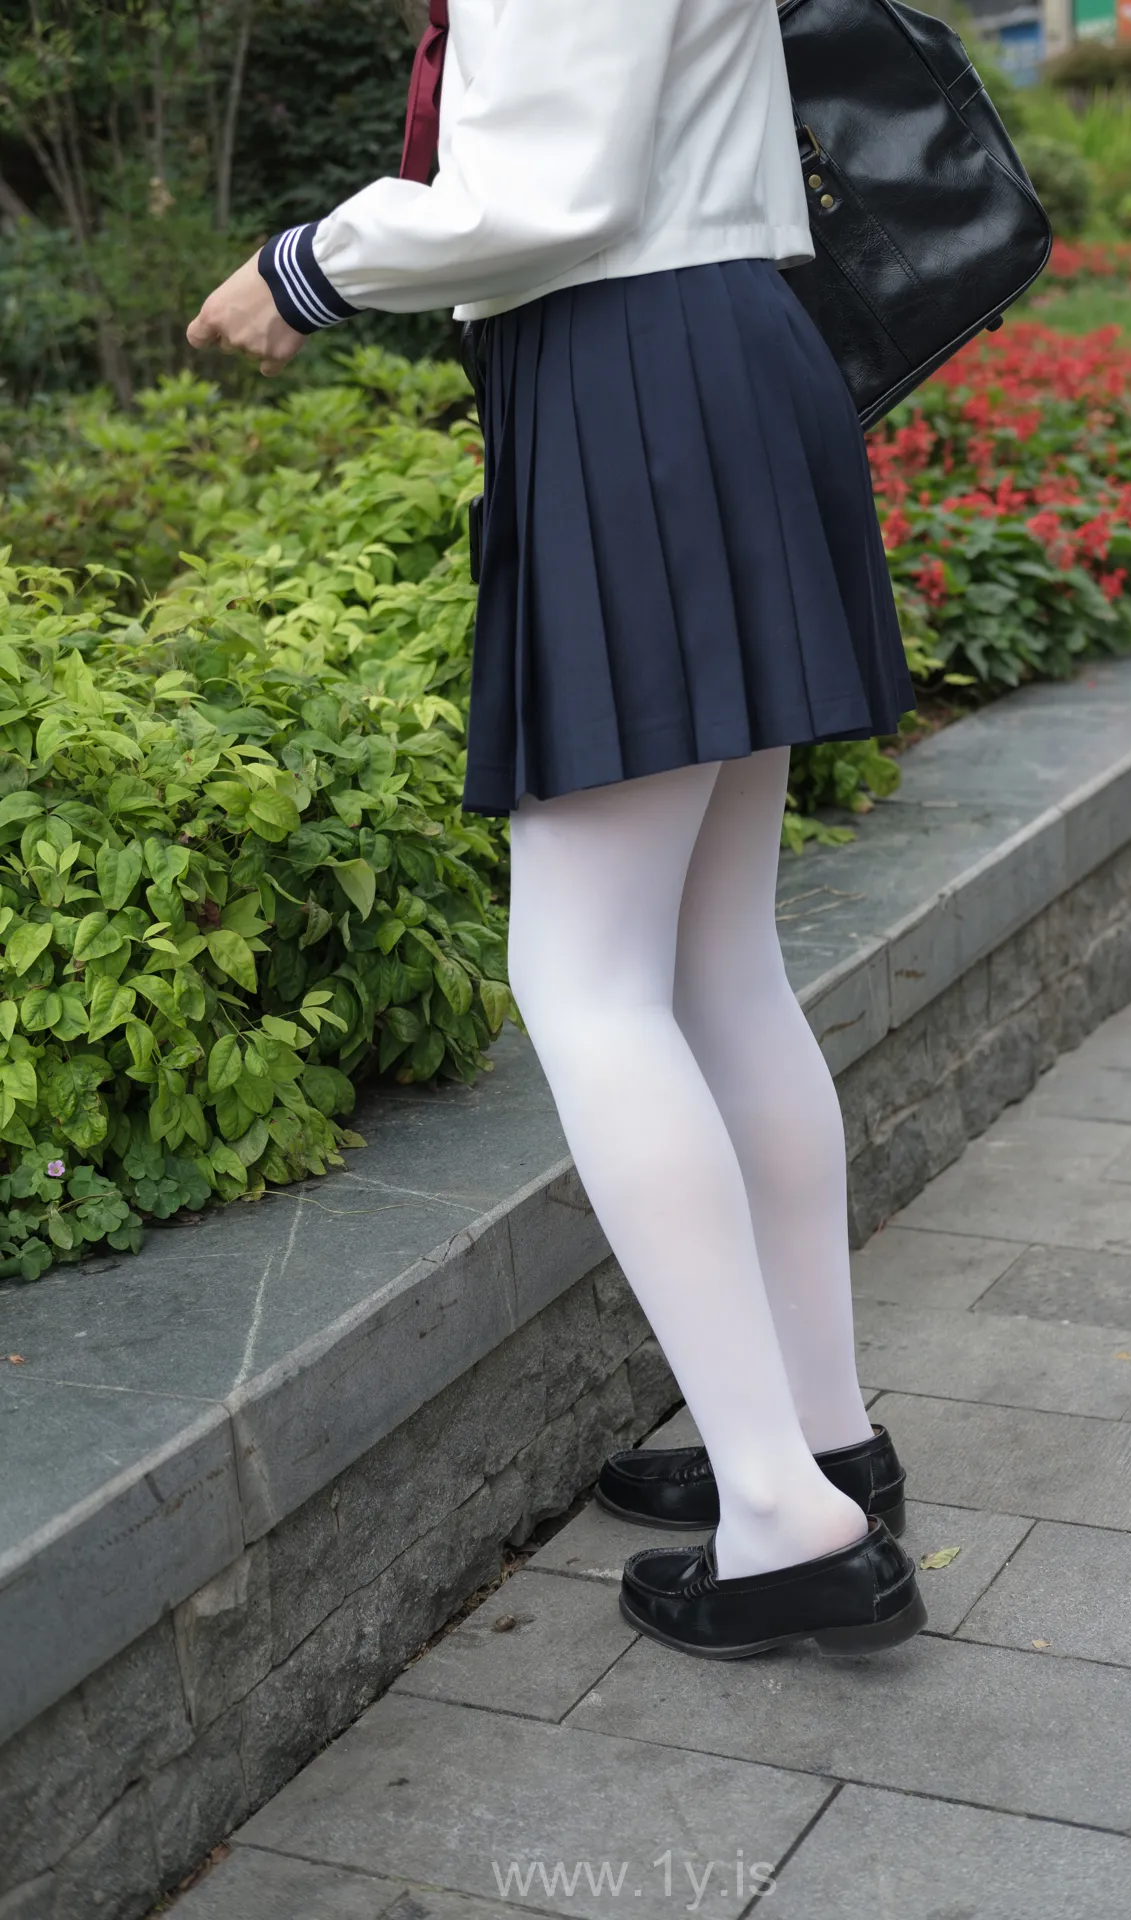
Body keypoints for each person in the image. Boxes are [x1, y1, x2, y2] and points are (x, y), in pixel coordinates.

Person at [188, 0, 925, 1661]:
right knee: (715, 964)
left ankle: (784, 1513)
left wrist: (304, 269)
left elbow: (549, 188)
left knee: (586, 977)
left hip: (630, 377)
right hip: (715, 353)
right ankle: (819, 1442)